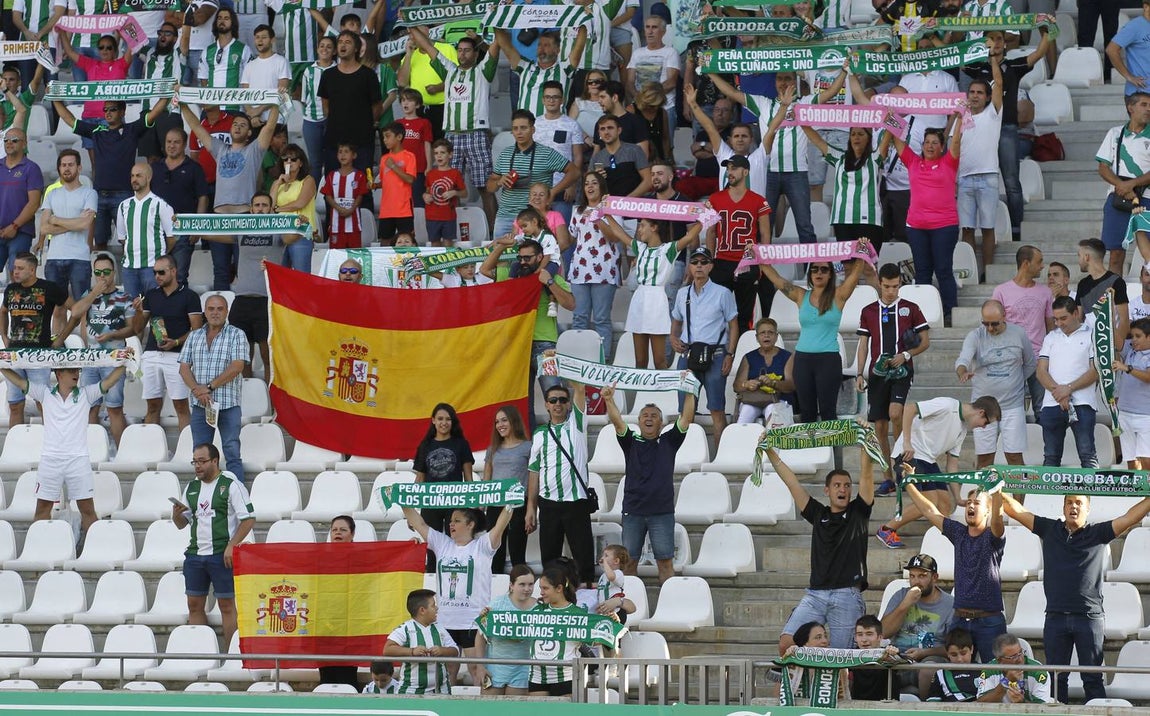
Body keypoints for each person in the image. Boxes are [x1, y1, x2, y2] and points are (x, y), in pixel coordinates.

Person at [1004, 492, 1150, 702]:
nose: (1074, 507)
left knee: (1092, 679)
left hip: (1089, 617)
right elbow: (1018, 512)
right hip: (1055, 617)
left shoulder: (1098, 532)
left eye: (1079, 503)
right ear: (1063, 508)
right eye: (1069, 503)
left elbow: (1129, 518)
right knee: (1055, 679)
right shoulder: (1050, 529)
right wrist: (997, 491)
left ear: (1088, 509)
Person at [770, 442, 875, 652]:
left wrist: (865, 443)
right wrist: (769, 451)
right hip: (815, 594)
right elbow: (792, 483)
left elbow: (867, 475)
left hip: (847, 594)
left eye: (847, 485)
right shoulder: (818, 514)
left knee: (841, 658)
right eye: (837, 485)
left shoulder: (858, 512)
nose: (843, 489)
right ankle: (797, 685)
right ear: (827, 490)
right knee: (787, 643)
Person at [0, 362, 125, 536]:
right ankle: (38, 554)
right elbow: (20, 382)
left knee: (88, 511)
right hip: (50, 459)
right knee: (42, 510)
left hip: (78, 459)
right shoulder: (44, 393)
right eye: (71, 370)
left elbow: (110, 381)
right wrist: (2, 367)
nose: (76, 373)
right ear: (59, 373)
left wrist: (125, 363)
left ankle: (96, 554)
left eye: (77, 370)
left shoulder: (86, 394)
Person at [402, 504, 513, 686]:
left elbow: (500, 526)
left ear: (470, 525)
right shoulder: (442, 543)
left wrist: (510, 506)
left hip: (473, 621)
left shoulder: (483, 545)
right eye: (450, 521)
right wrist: (402, 501)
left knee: (477, 669)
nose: (451, 524)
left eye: (457, 521)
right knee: (447, 670)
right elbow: (419, 523)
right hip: (445, 621)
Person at [603, 380, 696, 584]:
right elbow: (617, 421)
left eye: (654, 416)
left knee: (665, 563)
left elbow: (687, 418)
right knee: (629, 564)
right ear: (638, 420)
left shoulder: (669, 441)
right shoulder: (630, 441)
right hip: (633, 511)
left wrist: (690, 391)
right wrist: (609, 400)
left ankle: (669, 606)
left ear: (661, 423)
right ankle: (630, 610)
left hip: (661, 512)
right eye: (645, 415)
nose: (649, 418)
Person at [181, 100, 280, 291]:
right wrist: (183, 104)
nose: (237, 127)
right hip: (219, 218)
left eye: (243, 125)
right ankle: (222, 314)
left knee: (246, 267)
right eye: (235, 124)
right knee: (220, 270)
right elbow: (195, 126)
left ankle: (244, 309)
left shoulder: (254, 150)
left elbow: (270, 127)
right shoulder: (220, 149)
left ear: (249, 133)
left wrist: (275, 103)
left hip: (244, 217)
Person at [760, 251, 867, 425]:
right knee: (807, 412)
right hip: (803, 360)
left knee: (828, 411)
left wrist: (861, 254)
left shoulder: (838, 295)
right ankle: (810, 452)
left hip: (828, 360)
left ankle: (831, 452)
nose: (818, 273)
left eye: (824, 269)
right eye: (814, 269)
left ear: (831, 273)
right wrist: (759, 258)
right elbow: (778, 280)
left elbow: (854, 275)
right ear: (809, 274)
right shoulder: (801, 295)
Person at [408, 26, 501, 226]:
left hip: (476, 134)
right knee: (447, 184)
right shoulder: (449, 70)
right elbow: (427, 45)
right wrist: (411, 26)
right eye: (459, 50)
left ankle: (494, 233)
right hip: (452, 136)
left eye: (467, 50)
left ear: (476, 54)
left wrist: (490, 30)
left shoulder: (483, 70)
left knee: (485, 187)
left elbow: (496, 45)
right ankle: (451, 230)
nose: (462, 53)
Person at [877, 397, 1001, 547]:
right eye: (986, 423)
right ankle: (887, 529)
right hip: (908, 454)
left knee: (945, 504)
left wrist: (958, 497)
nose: (984, 427)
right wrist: (907, 442)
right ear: (981, 412)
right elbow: (910, 408)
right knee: (929, 502)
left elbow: (952, 465)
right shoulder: (948, 405)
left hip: (928, 460)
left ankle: (944, 546)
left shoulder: (961, 431)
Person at [479, 237, 575, 428]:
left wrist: (548, 282)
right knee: (522, 402)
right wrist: (501, 247)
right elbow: (485, 270)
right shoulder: (514, 275)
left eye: (528, 258)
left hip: (545, 347)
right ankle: (530, 447)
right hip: (516, 345)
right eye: (520, 257)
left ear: (540, 257)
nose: (522, 262)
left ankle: (565, 438)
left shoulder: (552, 277)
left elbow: (571, 304)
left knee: (556, 396)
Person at [53, 99, 170, 251]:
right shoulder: (97, 131)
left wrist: (166, 96)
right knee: (100, 240)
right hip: (99, 195)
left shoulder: (132, 129)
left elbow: (154, 113)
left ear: (122, 112)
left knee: (128, 241)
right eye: (105, 109)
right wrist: (55, 99)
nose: (108, 113)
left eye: (113, 109)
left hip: (124, 194)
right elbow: (70, 120)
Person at [172, 442, 255, 647]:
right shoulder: (192, 487)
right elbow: (183, 524)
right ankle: (201, 654)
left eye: (202, 461)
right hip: (195, 554)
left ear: (215, 461)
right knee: (194, 604)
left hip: (221, 553)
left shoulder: (230, 484)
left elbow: (249, 518)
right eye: (195, 462)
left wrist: (232, 545)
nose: (197, 466)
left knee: (226, 605)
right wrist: (176, 516)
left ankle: (233, 655)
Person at [858, 264, 931, 487]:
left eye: (895, 286)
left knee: (896, 413)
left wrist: (906, 354)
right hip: (877, 372)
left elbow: (925, 342)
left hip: (901, 371)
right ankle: (887, 476)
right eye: (887, 286)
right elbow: (863, 344)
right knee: (879, 426)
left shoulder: (911, 308)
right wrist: (860, 374)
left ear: (901, 284)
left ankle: (901, 468)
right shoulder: (868, 311)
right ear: (879, 283)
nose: (891, 291)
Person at [601, 213, 701, 370]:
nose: (639, 229)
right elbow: (619, 233)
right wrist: (606, 214)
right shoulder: (639, 247)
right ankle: (642, 392)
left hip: (657, 300)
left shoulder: (668, 249)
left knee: (659, 360)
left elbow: (689, 237)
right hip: (639, 299)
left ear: (654, 227)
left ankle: (663, 394)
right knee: (640, 360)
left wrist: (705, 218)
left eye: (642, 225)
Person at [199, 193, 276, 381]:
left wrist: (302, 223)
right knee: (242, 358)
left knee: (268, 356)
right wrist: (187, 226)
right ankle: (248, 396)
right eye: (256, 205)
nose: (260, 208)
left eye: (264, 205)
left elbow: (292, 238)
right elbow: (213, 233)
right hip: (241, 300)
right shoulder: (241, 230)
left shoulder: (279, 231)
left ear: (271, 209)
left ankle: (270, 397)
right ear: (250, 209)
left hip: (267, 301)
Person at [60, 254, 135, 446]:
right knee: (90, 408)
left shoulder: (124, 297)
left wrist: (112, 335)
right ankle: (92, 451)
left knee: (114, 408)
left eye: (106, 272)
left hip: (113, 359)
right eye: (98, 272)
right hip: (91, 360)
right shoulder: (89, 295)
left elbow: (132, 328)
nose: (102, 276)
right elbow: (75, 312)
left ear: (114, 273)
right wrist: (95, 293)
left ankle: (122, 452)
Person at [525, 381, 595, 585]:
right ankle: (551, 601)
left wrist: (561, 365)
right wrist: (531, 507)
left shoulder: (577, 424)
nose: (558, 404)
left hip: (576, 502)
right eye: (553, 400)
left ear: (569, 404)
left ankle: (586, 598)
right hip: (548, 503)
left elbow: (580, 389)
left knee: (583, 557)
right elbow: (534, 471)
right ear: (546, 404)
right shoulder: (539, 433)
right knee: (550, 559)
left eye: (563, 400)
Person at [178, 293, 248, 483]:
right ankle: (204, 497)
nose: (215, 313)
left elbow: (237, 366)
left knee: (232, 451)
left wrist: (207, 387)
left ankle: (238, 496)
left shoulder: (237, 334)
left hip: (228, 404)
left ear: (227, 311)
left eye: (220, 309)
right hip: (201, 405)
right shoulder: (194, 336)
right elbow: (184, 368)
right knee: (200, 455)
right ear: (204, 312)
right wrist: (196, 390)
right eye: (211, 309)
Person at [670, 247, 740, 433]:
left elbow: (733, 325)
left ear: (711, 266)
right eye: (694, 262)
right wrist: (672, 337)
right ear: (690, 267)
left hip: (716, 354)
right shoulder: (682, 293)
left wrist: (730, 354)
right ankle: (687, 457)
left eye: (703, 262)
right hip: (688, 353)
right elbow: (676, 320)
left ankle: (721, 459)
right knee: (685, 412)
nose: (699, 266)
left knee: (716, 410)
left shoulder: (723, 293)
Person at [701, 151, 773, 333]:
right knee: (714, 312)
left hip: (747, 262)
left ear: (746, 172)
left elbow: (765, 233)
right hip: (722, 260)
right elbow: (710, 231)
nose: (729, 172)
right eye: (728, 169)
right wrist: (710, 258)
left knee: (745, 313)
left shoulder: (758, 200)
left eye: (734, 168)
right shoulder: (716, 198)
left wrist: (763, 261)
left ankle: (741, 350)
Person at [133, 255, 203, 431]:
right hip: (151, 353)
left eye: (161, 272)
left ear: (173, 271)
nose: (157, 276)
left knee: (181, 406)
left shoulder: (190, 296)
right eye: (155, 272)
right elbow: (137, 328)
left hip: (178, 356)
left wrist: (177, 341)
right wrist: (138, 312)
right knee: (152, 406)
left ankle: (188, 450)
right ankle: (151, 449)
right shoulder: (150, 295)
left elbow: (198, 330)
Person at [488, 109, 580, 240]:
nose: (519, 132)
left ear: (533, 129)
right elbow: (490, 187)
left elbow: (575, 172)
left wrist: (553, 192)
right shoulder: (505, 154)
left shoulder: (546, 153)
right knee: (500, 258)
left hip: (534, 217)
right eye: (515, 128)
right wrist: (499, 182)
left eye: (523, 128)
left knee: (533, 257)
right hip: (505, 217)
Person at [1, 252, 67, 426]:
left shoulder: (49, 288)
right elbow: (2, 312)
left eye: (20, 268)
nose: (15, 272)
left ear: (32, 269)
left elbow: (73, 310)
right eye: (14, 268)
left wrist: (60, 338)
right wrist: (4, 336)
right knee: (15, 404)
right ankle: (15, 446)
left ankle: (51, 443)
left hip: (39, 353)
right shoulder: (11, 289)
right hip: (14, 353)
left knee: (43, 402)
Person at [801, 123, 887, 250]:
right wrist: (801, 121)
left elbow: (888, 135)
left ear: (869, 138)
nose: (856, 137)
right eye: (853, 134)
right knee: (847, 266)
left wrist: (890, 116)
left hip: (869, 220)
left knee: (868, 266)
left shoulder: (874, 158)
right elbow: (817, 140)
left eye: (860, 134)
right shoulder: (839, 157)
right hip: (842, 220)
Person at [37, 149, 96, 333]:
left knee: (83, 307)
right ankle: (58, 353)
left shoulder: (89, 193)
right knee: (57, 308)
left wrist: (56, 219)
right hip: (54, 257)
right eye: (63, 165)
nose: (67, 168)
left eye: (71, 164)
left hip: (80, 258)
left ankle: (85, 353)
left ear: (79, 167)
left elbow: (85, 224)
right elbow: (44, 228)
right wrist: (73, 223)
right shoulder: (52, 194)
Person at [880, 554, 955, 698]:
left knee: (927, 669)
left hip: (930, 660)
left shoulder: (949, 604)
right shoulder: (901, 595)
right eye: (912, 576)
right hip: (898, 659)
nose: (916, 582)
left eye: (922, 576)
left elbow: (953, 648)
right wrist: (905, 605)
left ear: (934, 577)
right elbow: (883, 632)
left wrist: (924, 653)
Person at [992, 245, 1053, 420]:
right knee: (1011, 409)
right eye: (1039, 261)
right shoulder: (1001, 291)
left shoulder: (1045, 292)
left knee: (1042, 409)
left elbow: (1050, 326)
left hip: (1039, 358)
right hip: (1011, 359)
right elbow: (993, 326)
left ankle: (1045, 446)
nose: (1042, 266)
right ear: (1026, 263)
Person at [1037, 296, 1099, 467]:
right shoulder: (1051, 337)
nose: (1059, 323)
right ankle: (1047, 495)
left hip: (1083, 404)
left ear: (1076, 313)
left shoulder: (1092, 335)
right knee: (1050, 457)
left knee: (1088, 456)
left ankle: (1089, 494)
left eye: (1063, 318)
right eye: (1055, 319)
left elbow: (1096, 371)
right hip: (1051, 404)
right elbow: (1040, 371)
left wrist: (1069, 389)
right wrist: (1059, 392)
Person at [318, 31, 383, 185]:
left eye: (348, 42)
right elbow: (325, 105)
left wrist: (364, 123)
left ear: (356, 49)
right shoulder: (328, 75)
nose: (343, 45)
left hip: (362, 142)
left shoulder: (368, 75)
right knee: (332, 184)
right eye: (340, 42)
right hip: (334, 140)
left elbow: (377, 106)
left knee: (365, 184)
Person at [413, 403, 475, 561]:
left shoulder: (461, 444)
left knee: (456, 544)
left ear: (453, 422)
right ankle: (433, 578)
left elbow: (468, 478)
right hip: (430, 502)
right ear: (433, 420)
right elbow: (420, 478)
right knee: (432, 546)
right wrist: (412, 509)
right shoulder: (425, 445)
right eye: (440, 419)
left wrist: (470, 504)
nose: (444, 422)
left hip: (455, 503)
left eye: (448, 419)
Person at [1097, 92, 1150, 276]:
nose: (1149, 109)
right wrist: (1122, 186)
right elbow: (1103, 167)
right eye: (1144, 104)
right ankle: (1116, 299)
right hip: (1119, 198)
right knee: (1116, 254)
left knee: (1149, 255)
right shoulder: (1115, 133)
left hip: (1147, 198)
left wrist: (1131, 184)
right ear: (1130, 107)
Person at [958, 62, 1004, 272]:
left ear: (987, 97)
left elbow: (999, 83)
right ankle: (970, 272)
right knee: (966, 229)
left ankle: (986, 271)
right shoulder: (961, 118)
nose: (975, 96)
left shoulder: (993, 114)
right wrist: (955, 115)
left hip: (987, 178)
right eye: (972, 92)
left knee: (987, 228)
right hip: (965, 179)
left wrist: (993, 58)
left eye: (980, 92)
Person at [150, 128, 211, 287]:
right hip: (157, 230)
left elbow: (202, 197)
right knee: (155, 277)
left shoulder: (194, 168)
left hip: (183, 228)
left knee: (180, 275)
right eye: (169, 142)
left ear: (184, 144)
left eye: (176, 142)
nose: (172, 145)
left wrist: (197, 227)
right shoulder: (155, 168)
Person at [567, 172, 620, 354]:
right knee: (579, 317)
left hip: (605, 270)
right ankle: (578, 359)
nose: (590, 186)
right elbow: (570, 238)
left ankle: (602, 363)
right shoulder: (577, 211)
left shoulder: (612, 209)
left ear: (601, 187)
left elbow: (614, 237)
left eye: (594, 183)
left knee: (601, 319)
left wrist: (598, 218)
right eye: (587, 183)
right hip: (579, 270)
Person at [496, 27, 588, 117]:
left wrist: (583, 22)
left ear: (557, 50)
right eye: (539, 44)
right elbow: (505, 46)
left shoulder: (564, 69)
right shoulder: (524, 67)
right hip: (527, 129)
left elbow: (579, 47)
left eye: (546, 45)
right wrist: (494, 18)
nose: (541, 48)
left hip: (553, 127)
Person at [383, 589, 460, 695]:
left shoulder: (439, 628)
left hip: (442, 691)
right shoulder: (405, 628)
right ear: (422, 610)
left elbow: (455, 651)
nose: (437, 609)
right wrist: (412, 651)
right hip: (411, 691)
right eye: (433, 606)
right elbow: (387, 649)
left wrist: (442, 651)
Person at [475, 565, 536, 695]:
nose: (527, 589)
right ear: (511, 585)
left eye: (531, 584)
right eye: (522, 584)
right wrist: (480, 666)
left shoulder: (539, 608)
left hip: (523, 668)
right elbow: (480, 637)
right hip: (494, 666)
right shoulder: (496, 605)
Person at [484, 405, 532, 573]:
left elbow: (533, 480)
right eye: (497, 422)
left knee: (517, 552)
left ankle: (521, 591)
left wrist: (532, 509)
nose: (500, 425)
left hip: (518, 505)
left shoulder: (528, 447)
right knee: (495, 552)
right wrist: (482, 505)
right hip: (495, 505)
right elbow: (487, 479)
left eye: (504, 420)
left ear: (514, 421)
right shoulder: (492, 449)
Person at [528, 566, 589, 696]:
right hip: (537, 676)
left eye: (545, 588)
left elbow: (596, 640)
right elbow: (516, 631)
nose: (541, 592)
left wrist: (613, 623)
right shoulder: (537, 610)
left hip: (566, 677)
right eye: (540, 588)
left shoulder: (577, 614)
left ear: (559, 588)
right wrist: (488, 618)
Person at [116, 163, 176, 298]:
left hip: (152, 268)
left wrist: (159, 256)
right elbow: (122, 237)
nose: (134, 179)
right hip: (129, 268)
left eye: (138, 175)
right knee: (131, 310)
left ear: (148, 178)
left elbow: (172, 238)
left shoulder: (161, 204)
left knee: (154, 307)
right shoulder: (124, 205)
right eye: (132, 176)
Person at [318, 515, 362, 689]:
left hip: (351, 624)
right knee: (326, 677)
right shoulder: (319, 557)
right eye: (334, 530)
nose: (338, 533)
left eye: (343, 530)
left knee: (347, 677)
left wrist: (411, 546)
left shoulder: (362, 557)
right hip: (325, 624)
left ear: (352, 534)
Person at [733, 318, 794, 425]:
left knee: (775, 420)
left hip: (777, 401)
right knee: (742, 422)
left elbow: (791, 386)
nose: (766, 335)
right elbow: (736, 386)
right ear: (757, 337)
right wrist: (746, 384)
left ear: (776, 336)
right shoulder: (748, 357)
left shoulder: (787, 357)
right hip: (753, 401)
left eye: (770, 332)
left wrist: (773, 383)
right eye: (762, 333)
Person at [0, 128, 42, 274]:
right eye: (6, 140)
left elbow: (34, 203)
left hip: (21, 231)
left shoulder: (32, 168)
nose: (9, 143)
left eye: (14, 140)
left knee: (17, 274)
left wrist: (14, 226)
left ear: (24, 144)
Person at [270, 144, 318, 270]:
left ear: (301, 163)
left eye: (293, 159)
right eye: (285, 159)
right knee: (279, 275)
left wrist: (278, 209)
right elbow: (269, 207)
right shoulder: (277, 183)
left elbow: (300, 203)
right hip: (279, 231)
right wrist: (278, 183)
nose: (289, 162)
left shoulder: (308, 180)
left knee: (301, 276)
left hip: (300, 231)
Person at [975, 633, 1054, 704]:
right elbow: (980, 704)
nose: (1019, 659)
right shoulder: (990, 670)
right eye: (1013, 657)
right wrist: (1005, 683)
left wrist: (1022, 702)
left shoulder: (1038, 672)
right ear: (1000, 660)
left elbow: (1042, 711)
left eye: (1020, 653)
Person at [1076, 237, 1131, 340]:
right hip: (1088, 344)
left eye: (1079, 255)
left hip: (1109, 344)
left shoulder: (1116, 282)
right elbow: (1079, 319)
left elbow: (1124, 321)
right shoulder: (1082, 284)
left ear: (1086, 257)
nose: (1078, 260)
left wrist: (1116, 348)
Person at [299, 35, 335, 184]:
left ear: (334, 51)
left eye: (329, 46)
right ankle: (312, 198)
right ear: (317, 49)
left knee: (332, 160)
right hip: (311, 121)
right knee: (314, 163)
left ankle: (330, 196)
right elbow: (304, 98)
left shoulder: (338, 69)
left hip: (332, 120)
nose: (324, 49)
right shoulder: (309, 71)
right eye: (322, 46)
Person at [626, 15, 679, 114]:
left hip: (664, 108)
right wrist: (639, 98)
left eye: (654, 27)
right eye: (647, 27)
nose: (650, 31)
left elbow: (671, 82)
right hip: (640, 107)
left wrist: (648, 98)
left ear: (663, 32)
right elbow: (630, 82)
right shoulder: (637, 53)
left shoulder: (671, 52)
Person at [320, 143, 370, 250]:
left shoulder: (359, 175)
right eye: (340, 152)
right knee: (336, 255)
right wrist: (339, 208)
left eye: (346, 151)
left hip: (354, 226)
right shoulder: (332, 175)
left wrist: (351, 209)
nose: (343, 155)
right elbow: (328, 195)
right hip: (336, 226)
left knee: (354, 254)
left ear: (354, 155)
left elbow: (360, 195)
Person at [1115, 317, 1150, 468]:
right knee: (1130, 459)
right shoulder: (1130, 349)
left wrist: (1126, 368)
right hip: (1124, 412)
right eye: (1132, 336)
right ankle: (1135, 491)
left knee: (1146, 459)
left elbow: (1148, 377)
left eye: (1138, 336)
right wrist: (1108, 312)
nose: (1133, 340)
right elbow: (1114, 337)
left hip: (1146, 415)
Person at [239, 24, 289, 128]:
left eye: (264, 37)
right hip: (254, 121)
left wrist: (259, 110)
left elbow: (282, 92)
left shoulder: (281, 61)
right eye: (257, 37)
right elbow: (244, 94)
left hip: (276, 120)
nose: (260, 40)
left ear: (272, 40)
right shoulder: (249, 65)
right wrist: (252, 115)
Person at [850, 614, 903, 700]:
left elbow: (902, 659)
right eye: (860, 634)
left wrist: (894, 655)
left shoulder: (888, 653)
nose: (864, 639)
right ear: (855, 638)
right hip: (856, 708)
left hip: (886, 709)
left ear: (880, 637)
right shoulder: (849, 655)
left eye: (869, 634)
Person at [423, 139, 465, 247]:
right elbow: (427, 191)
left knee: (448, 244)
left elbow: (465, 193)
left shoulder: (455, 173)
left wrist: (454, 192)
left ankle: (449, 264)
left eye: (442, 153)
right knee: (434, 244)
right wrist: (425, 196)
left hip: (448, 217)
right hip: (432, 216)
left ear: (450, 155)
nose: (439, 156)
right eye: (436, 153)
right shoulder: (430, 174)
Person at [1108, 1, 1150, 97]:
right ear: (1146, 7)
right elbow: (1111, 50)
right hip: (1140, 93)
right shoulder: (1134, 26)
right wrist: (1129, 77)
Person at [926, 629, 980, 702]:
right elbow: (932, 703)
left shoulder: (983, 671)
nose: (959, 659)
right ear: (947, 653)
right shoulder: (940, 674)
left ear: (971, 649)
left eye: (963, 653)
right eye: (954, 655)